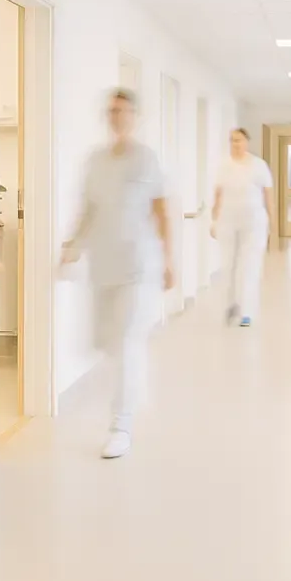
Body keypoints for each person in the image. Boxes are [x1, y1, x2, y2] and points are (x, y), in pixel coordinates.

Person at [61, 88, 175, 460]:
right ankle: (135, 386)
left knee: (126, 342)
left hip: (139, 265)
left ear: (135, 116)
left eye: (125, 111)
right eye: (112, 110)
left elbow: (161, 211)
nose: (118, 116)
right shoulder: (95, 161)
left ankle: (120, 426)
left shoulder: (146, 159)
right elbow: (88, 209)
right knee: (107, 343)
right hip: (103, 263)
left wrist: (170, 259)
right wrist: (72, 244)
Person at [211, 127, 273, 327]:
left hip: (254, 221)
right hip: (228, 220)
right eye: (232, 140)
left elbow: (268, 195)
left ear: (246, 142)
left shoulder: (259, 166)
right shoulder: (223, 166)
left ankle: (247, 311)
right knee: (228, 264)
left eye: (238, 140)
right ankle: (231, 305)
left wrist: (271, 222)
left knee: (249, 265)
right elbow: (218, 195)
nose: (235, 144)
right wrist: (214, 220)